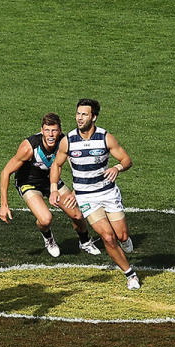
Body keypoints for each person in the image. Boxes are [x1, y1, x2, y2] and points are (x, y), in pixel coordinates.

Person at [49, 98, 139, 290]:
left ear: (94, 117)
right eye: (78, 114)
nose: (79, 118)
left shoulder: (105, 137)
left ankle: (125, 240)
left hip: (107, 193)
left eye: (84, 114)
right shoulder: (68, 140)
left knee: (121, 237)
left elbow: (126, 160)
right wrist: (54, 189)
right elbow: (56, 165)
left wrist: (117, 168)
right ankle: (130, 274)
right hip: (86, 197)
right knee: (107, 237)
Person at [0, 113, 100, 257]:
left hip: (51, 180)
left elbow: (77, 168)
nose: (50, 135)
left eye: (54, 130)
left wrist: (76, 191)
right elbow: (5, 172)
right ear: (42, 131)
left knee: (77, 215)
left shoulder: (65, 143)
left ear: (59, 131)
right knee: (45, 219)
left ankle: (84, 242)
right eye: (47, 130)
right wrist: (4, 205)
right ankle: (48, 238)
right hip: (29, 183)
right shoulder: (29, 147)